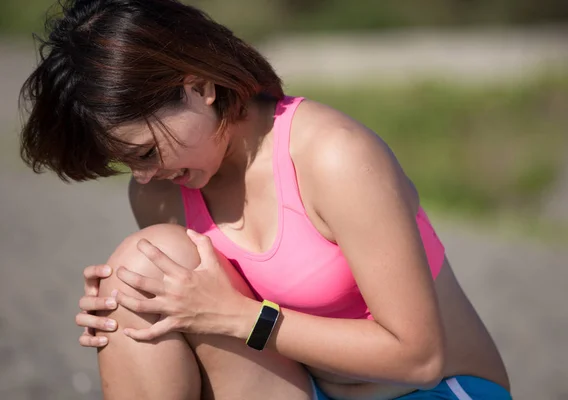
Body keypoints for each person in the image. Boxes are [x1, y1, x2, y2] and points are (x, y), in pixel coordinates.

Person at [19, 0, 511, 399]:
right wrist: (128, 306)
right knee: (138, 276)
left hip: (435, 389)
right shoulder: (162, 193)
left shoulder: (332, 156)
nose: (144, 177)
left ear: (199, 86)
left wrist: (233, 315)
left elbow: (418, 358)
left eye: (146, 152)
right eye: (129, 164)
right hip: (309, 386)